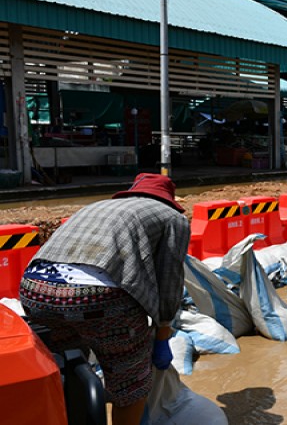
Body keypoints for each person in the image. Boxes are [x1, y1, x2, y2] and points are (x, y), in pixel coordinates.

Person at [18, 173, 190, 425]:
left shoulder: (96, 206)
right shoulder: (173, 218)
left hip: (34, 289)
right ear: (169, 199)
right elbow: (169, 279)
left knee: (67, 369)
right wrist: (163, 332)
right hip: (99, 299)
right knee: (130, 382)